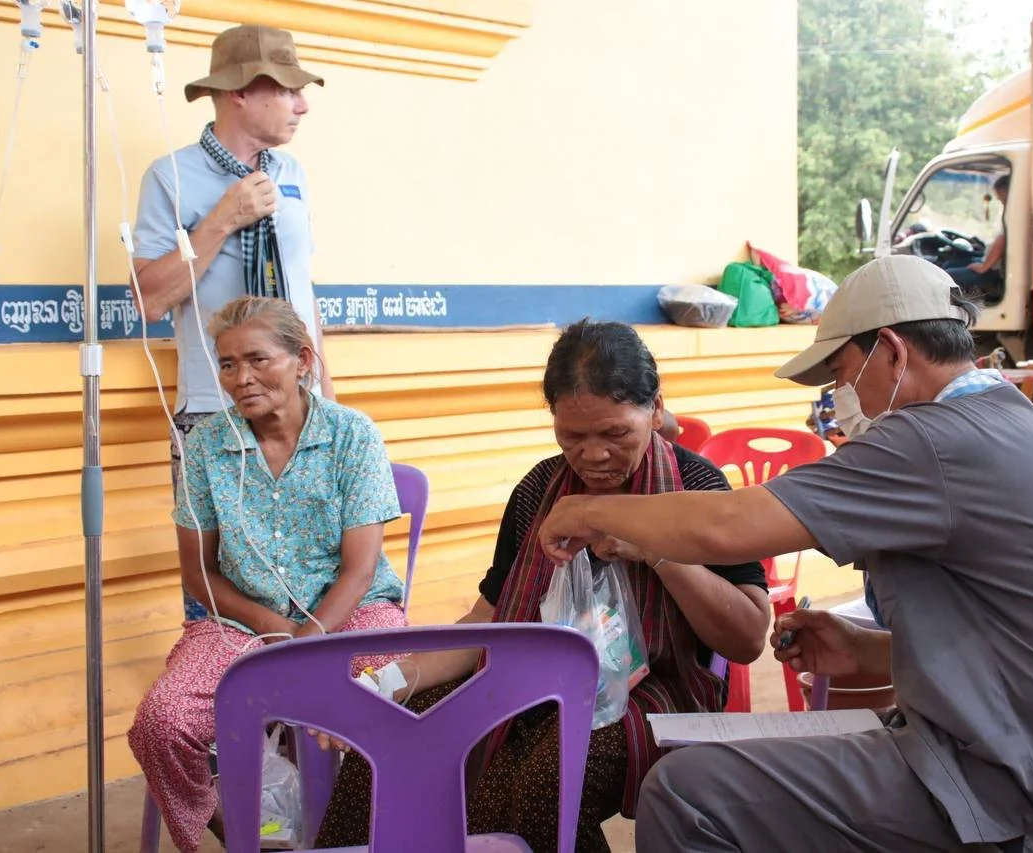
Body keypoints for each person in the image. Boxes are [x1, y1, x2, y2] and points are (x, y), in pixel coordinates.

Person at [537, 256, 1033, 852]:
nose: (838, 399)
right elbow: (1025, 645)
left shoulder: (933, 438)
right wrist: (868, 650)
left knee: (683, 792)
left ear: (890, 351)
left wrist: (586, 512)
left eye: (840, 376)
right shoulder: (1011, 425)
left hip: (1019, 795)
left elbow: (733, 523)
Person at [313, 319, 771, 853]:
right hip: (530, 675)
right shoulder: (540, 491)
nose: (594, 455)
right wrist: (385, 684)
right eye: (572, 436)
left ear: (654, 408)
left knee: (548, 774)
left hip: (653, 691)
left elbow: (747, 637)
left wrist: (655, 550)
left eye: (615, 433)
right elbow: (491, 623)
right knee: (398, 734)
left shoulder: (696, 488)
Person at [128, 297, 408, 853]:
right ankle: (243, 834)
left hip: (353, 613)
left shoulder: (352, 435)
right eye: (228, 364)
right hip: (243, 622)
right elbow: (201, 575)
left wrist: (304, 647)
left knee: (394, 694)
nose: (241, 378)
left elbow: (358, 570)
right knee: (162, 723)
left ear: (303, 360)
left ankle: (365, 834)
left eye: (258, 359)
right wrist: (273, 631)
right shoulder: (208, 447)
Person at [132, 24, 333, 620]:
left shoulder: (292, 171)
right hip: (212, 412)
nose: (303, 104)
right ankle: (220, 704)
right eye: (289, 89)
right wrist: (220, 221)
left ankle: (303, 703)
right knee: (216, 591)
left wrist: (329, 395)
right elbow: (148, 298)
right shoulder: (169, 177)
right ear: (241, 92)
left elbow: (303, 294)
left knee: (312, 570)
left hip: (303, 409)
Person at [945, 173, 1008, 303]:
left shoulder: (1013, 213)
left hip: (993, 270)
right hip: (990, 263)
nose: (1000, 201)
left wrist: (984, 266)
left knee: (946, 276)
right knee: (950, 265)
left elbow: (1002, 240)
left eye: (1001, 198)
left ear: (1006, 192)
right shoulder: (1009, 212)